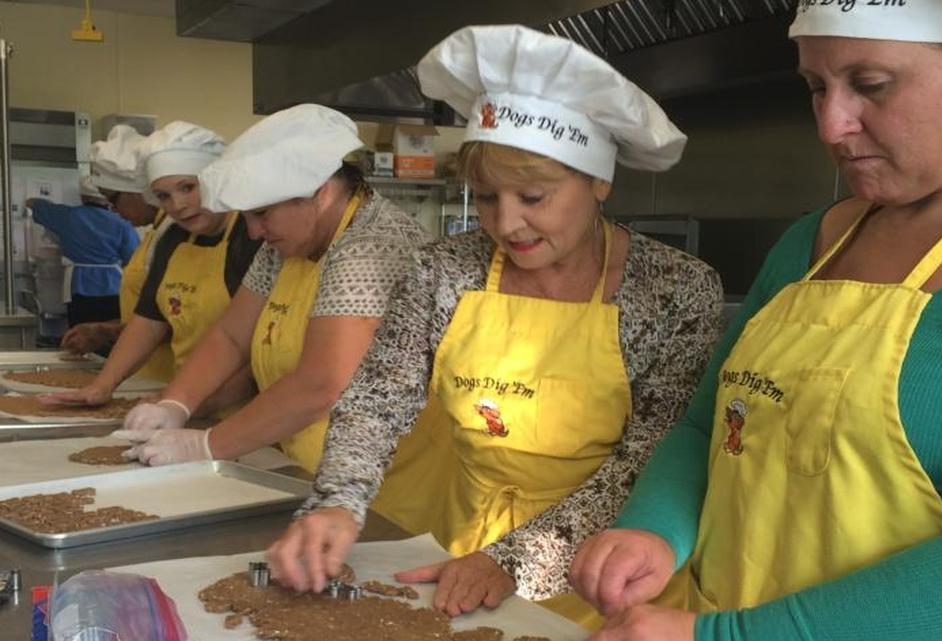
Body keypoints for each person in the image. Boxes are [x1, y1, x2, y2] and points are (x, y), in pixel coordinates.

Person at [569, 2, 942, 640]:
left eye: (871, 85)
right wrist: (653, 529)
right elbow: (713, 425)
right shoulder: (817, 239)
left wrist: (727, 637)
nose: (831, 124)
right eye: (816, 87)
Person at [265, 24, 724, 628]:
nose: (507, 224)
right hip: (464, 551)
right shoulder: (443, 270)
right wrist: (337, 503)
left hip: (615, 571)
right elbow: (378, 401)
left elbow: (652, 456)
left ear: (599, 181)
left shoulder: (675, 288)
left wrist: (515, 560)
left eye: (533, 197)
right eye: (485, 199)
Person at [108, 104, 426, 471]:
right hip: (308, 462)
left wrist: (208, 445)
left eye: (262, 214)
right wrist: (176, 403)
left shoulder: (372, 246)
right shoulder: (285, 245)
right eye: (246, 217)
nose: (254, 232)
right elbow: (231, 335)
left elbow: (323, 384)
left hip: (383, 479)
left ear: (320, 192)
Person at [43, 121, 262, 414]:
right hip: (188, 400)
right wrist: (102, 385)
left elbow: (248, 350)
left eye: (188, 187)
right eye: (163, 196)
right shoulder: (172, 239)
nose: (178, 205)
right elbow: (148, 322)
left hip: (244, 408)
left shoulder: (252, 237)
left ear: (216, 178)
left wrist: (183, 404)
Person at [60, 125, 173, 377]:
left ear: (138, 191)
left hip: (170, 377)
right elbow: (149, 315)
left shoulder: (173, 237)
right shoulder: (154, 235)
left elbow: (175, 324)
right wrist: (106, 328)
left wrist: (105, 331)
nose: (112, 210)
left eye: (113, 199)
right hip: (147, 374)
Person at [25, 176, 138, 326]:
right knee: (111, 334)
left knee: (81, 334)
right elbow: (134, 258)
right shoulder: (122, 223)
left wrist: (49, 204)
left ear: (83, 196)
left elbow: (32, 203)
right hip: (114, 286)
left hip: (80, 286)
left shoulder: (68, 216)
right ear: (107, 197)